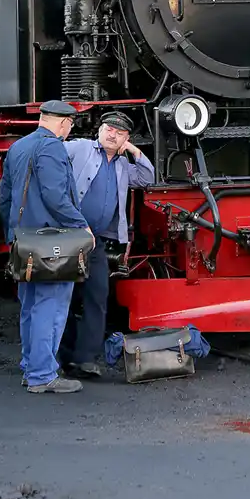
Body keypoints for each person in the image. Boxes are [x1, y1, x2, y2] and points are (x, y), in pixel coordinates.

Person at [0, 100, 94, 394]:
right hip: (51, 243)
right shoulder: (52, 147)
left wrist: (12, 235)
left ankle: (31, 367)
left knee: (29, 306)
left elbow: (5, 198)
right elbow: (55, 195)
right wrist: (82, 225)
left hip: (25, 240)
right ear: (64, 123)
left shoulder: (18, 147)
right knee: (50, 308)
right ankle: (42, 374)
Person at [59, 111, 155, 378]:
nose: (112, 134)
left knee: (97, 296)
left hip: (96, 242)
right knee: (63, 296)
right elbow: (51, 156)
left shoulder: (124, 165)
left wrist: (133, 150)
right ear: (99, 130)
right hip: (68, 236)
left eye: (119, 132)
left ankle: (86, 358)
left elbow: (148, 178)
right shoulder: (79, 148)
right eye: (108, 129)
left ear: (126, 138)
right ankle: (64, 356)